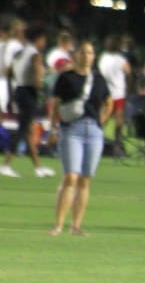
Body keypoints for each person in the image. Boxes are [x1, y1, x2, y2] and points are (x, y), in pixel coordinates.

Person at [47, 40, 112, 235]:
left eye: (90, 53)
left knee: (85, 180)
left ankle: (76, 225)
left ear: (94, 57)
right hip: (71, 130)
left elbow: (109, 102)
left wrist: (101, 120)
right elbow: (56, 104)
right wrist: (53, 128)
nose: (86, 56)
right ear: (76, 55)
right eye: (82, 52)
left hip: (93, 131)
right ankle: (58, 224)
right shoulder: (66, 78)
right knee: (70, 177)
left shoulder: (99, 80)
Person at [1, 24, 55, 178]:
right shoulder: (35, 54)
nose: (44, 42)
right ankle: (6, 164)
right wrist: (44, 83)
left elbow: (8, 72)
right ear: (39, 39)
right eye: (43, 39)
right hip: (29, 93)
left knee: (29, 130)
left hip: (18, 90)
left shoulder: (20, 51)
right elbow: (38, 79)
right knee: (23, 129)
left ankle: (38, 167)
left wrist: (12, 96)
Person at [98, 34, 131, 155]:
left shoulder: (103, 57)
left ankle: (96, 141)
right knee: (119, 120)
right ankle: (117, 145)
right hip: (118, 92)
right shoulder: (120, 59)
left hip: (105, 92)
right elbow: (128, 72)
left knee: (103, 118)